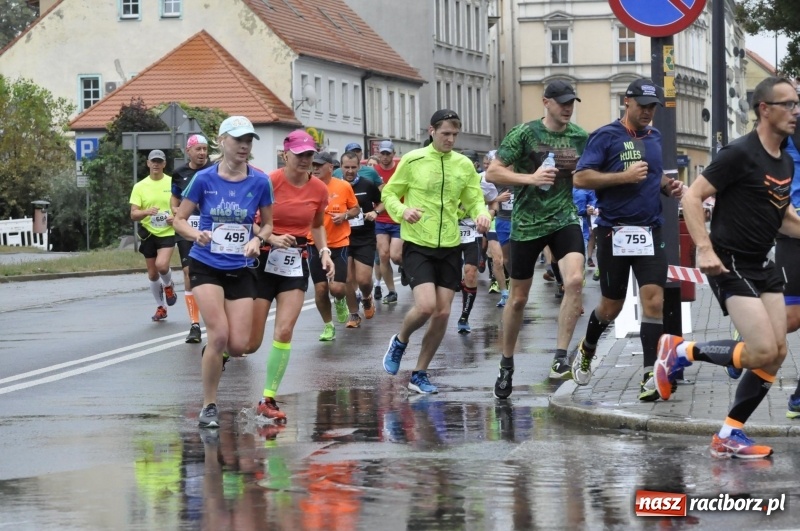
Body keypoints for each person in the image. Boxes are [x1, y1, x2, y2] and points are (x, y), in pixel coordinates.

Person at [658, 77, 800, 458]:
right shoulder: (739, 153)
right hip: (730, 261)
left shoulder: (784, 158)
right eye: (787, 104)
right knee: (759, 350)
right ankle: (681, 352)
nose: (796, 111)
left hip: (761, 262)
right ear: (764, 109)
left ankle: (729, 435)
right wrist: (703, 249)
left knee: (778, 351)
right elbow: (692, 196)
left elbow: (781, 213)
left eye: (797, 104)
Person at [569, 79, 684, 401]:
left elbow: (653, 175)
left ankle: (651, 373)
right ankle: (587, 348)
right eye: (643, 105)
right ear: (627, 102)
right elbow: (580, 177)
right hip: (612, 231)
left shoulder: (655, 137)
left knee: (653, 300)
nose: (648, 112)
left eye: (652, 107)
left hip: (650, 230)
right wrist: (622, 177)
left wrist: (667, 186)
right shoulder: (605, 136)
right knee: (611, 306)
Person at [485, 80, 589, 398]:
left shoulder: (579, 137)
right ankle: (506, 364)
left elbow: (590, 172)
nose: (568, 107)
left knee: (573, 281)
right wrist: (529, 178)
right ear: (546, 102)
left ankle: (560, 358)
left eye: (572, 101)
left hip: (564, 218)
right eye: (562, 102)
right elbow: (493, 172)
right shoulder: (525, 133)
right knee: (518, 299)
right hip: (527, 224)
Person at [173, 116, 275, 429]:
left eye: (249, 141)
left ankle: (214, 354)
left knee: (239, 346)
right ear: (222, 141)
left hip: (241, 268)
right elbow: (178, 219)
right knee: (218, 334)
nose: (244, 146)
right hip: (206, 265)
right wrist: (194, 235)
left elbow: (269, 223)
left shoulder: (259, 181)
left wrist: (257, 240)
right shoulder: (204, 179)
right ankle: (209, 405)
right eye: (238, 140)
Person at [381, 109, 490, 394]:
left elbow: (474, 199)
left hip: (450, 246)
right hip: (418, 244)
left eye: (455, 134)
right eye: (445, 134)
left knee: (442, 314)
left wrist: (482, 215)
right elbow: (389, 193)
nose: (450, 139)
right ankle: (401, 340)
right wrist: (404, 211)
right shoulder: (413, 160)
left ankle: (419, 373)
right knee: (426, 306)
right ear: (432, 131)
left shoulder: (464, 165)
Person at [245, 129, 333, 422]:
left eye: (310, 155)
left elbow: (318, 225)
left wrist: (324, 252)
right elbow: (252, 223)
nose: (306, 160)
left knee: (283, 331)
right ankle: (221, 350)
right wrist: (272, 238)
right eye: (300, 155)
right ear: (286, 155)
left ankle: (267, 398)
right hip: (264, 260)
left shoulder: (319, 189)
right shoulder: (269, 182)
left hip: (296, 261)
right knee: (250, 343)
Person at [309, 151, 359, 339]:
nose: (314, 169)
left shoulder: (343, 186)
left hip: (339, 244)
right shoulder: (307, 186)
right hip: (313, 243)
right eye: (313, 165)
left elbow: (356, 208)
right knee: (321, 289)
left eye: (319, 165)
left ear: (331, 168)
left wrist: (345, 215)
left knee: (337, 288)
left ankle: (340, 300)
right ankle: (328, 326)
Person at [171, 134, 213, 343]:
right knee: (188, 271)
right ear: (189, 151)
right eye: (198, 149)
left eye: (205, 149)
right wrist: (175, 211)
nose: (202, 153)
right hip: (187, 228)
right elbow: (175, 197)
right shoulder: (179, 173)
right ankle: (194, 325)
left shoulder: (214, 170)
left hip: (211, 229)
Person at [129, 149, 178, 322]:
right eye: (153, 161)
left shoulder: (172, 183)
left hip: (168, 231)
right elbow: (133, 214)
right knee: (152, 274)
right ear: (148, 163)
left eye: (159, 161)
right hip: (148, 232)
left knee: (162, 266)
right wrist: (146, 212)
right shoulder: (140, 186)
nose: (156, 164)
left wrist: (176, 216)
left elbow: (182, 206)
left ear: (164, 164)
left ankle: (169, 285)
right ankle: (161, 307)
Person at [341, 151, 383, 327]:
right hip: (343, 237)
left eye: (353, 167)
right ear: (341, 167)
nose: (350, 171)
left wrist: (375, 212)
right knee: (348, 279)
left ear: (359, 167)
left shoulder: (367, 184)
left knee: (364, 280)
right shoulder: (336, 187)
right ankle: (353, 314)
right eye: (346, 167)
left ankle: (366, 296)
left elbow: (383, 201)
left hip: (365, 237)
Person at [373, 140, 403, 304]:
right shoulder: (374, 171)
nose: (384, 157)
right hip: (381, 219)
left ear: (393, 154)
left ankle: (404, 267)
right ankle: (392, 291)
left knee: (396, 256)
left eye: (388, 154)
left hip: (398, 218)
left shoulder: (399, 169)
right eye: (382, 154)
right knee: (383, 255)